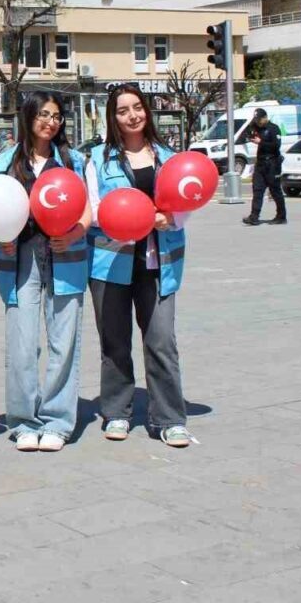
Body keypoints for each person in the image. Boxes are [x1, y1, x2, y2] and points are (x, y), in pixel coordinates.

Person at [85, 85, 193, 448]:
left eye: (137, 108)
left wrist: (170, 219)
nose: (132, 116)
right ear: (112, 118)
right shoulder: (98, 158)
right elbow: (93, 209)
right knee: (114, 342)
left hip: (157, 263)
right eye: (122, 111)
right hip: (111, 262)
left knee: (161, 341)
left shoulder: (167, 157)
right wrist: (132, 215)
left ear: (147, 110)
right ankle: (116, 412)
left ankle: (169, 418)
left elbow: (185, 205)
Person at [0, 92, 91, 452]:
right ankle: (22, 421)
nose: (51, 122)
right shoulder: (4, 163)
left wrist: (75, 233)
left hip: (66, 256)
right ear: (28, 117)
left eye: (57, 116)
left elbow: (88, 209)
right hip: (21, 259)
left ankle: (58, 421)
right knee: (21, 342)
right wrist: (2, 237)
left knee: (64, 341)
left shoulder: (74, 161)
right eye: (44, 114)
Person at [243, 107, 287, 226]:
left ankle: (281, 216)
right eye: (256, 120)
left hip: (272, 163)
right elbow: (246, 132)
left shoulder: (273, 128)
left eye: (259, 119)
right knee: (257, 190)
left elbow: (276, 146)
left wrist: (261, 142)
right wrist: (252, 126)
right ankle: (254, 216)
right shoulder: (257, 128)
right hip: (261, 163)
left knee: (275, 190)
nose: (257, 122)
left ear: (265, 118)